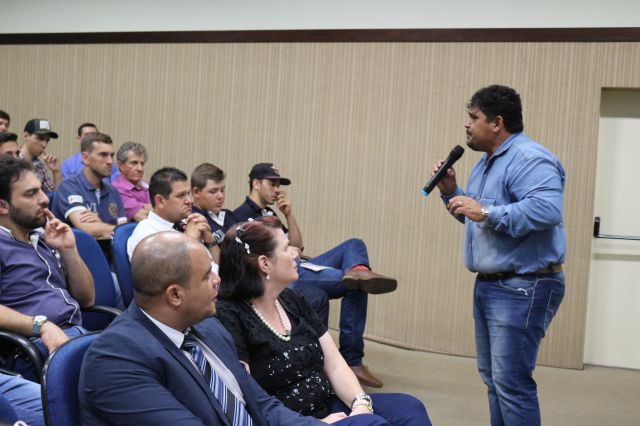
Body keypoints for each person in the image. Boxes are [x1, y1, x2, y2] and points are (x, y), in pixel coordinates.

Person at [79, 231, 393, 425]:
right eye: (207, 276)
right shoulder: (116, 358)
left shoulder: (211, 331)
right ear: (174, 295)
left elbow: (262, 405)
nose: (218, 280)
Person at [434, 85, 566, 426]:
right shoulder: (484, 164)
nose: (467, 124)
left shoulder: (530, 158)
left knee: (512, 383)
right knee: (495, 380)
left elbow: (546, 210)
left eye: (474, 117)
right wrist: (452, 193)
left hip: (524, 285)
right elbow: (480, 220)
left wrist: (486, 212)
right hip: (491, 284)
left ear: (497, 123)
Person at [216, 217, 431, 425]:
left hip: (328, 405)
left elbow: (335, 364)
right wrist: (315, 423)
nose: (296, 253)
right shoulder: (230, 315)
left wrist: (360, 404)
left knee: (410, 408)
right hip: (293, 421)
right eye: (286, 248)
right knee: (373, 424)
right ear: (264, 263)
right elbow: (250, 398)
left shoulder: (292, 300)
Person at [234, 163, 397, 387]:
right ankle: (352, 362)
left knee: (355, 246)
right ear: (256, 184)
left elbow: (298, 245)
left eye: (278, 185)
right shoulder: (242, 216)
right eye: (272, 184)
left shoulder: (270, 213)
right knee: (356, 285)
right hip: (286, 270)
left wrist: (289, 214)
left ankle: (359, 271)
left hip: (299, 262)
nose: (277, 190)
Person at [0, 156, 94, 366]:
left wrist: (69, 249)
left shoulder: (42, 238)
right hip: (34, 348)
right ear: (2, 205)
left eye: (41, 190)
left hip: (75, 334)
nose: (44, 199)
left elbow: (87, 299)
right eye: (31, 193)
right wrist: (40, 326)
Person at [126, 167, 216, 261]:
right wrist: (190, 240)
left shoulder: (187, 223)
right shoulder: (146, 235)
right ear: (160, 201)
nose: (189, 201)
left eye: (188, 194)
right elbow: (166, 270)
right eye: (181, 195)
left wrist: (210, 242)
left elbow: (216, 265)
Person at [51, 132, 127, 238]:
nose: (110, 161)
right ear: (85, 158)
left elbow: (124, 230)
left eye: (111, 155)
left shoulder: (113, 191)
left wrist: (100, 223)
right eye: (103, 155)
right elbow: (88, 229)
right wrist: (112, 228)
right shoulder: (69, 186)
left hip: (110, 248)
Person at [111, 141, 151, 222]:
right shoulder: (116, 189)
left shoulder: (145, 184)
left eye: (142, 164)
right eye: (134, 163)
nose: (140, 169)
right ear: (121, 165)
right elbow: (140, 216)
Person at [20, 119, 61, 193]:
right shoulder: (11, 160)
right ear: (26, 136)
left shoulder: (40, 167)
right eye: (40, 138)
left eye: (47, 140)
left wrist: (56, 171)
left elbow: (56, 196)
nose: (44, 145)